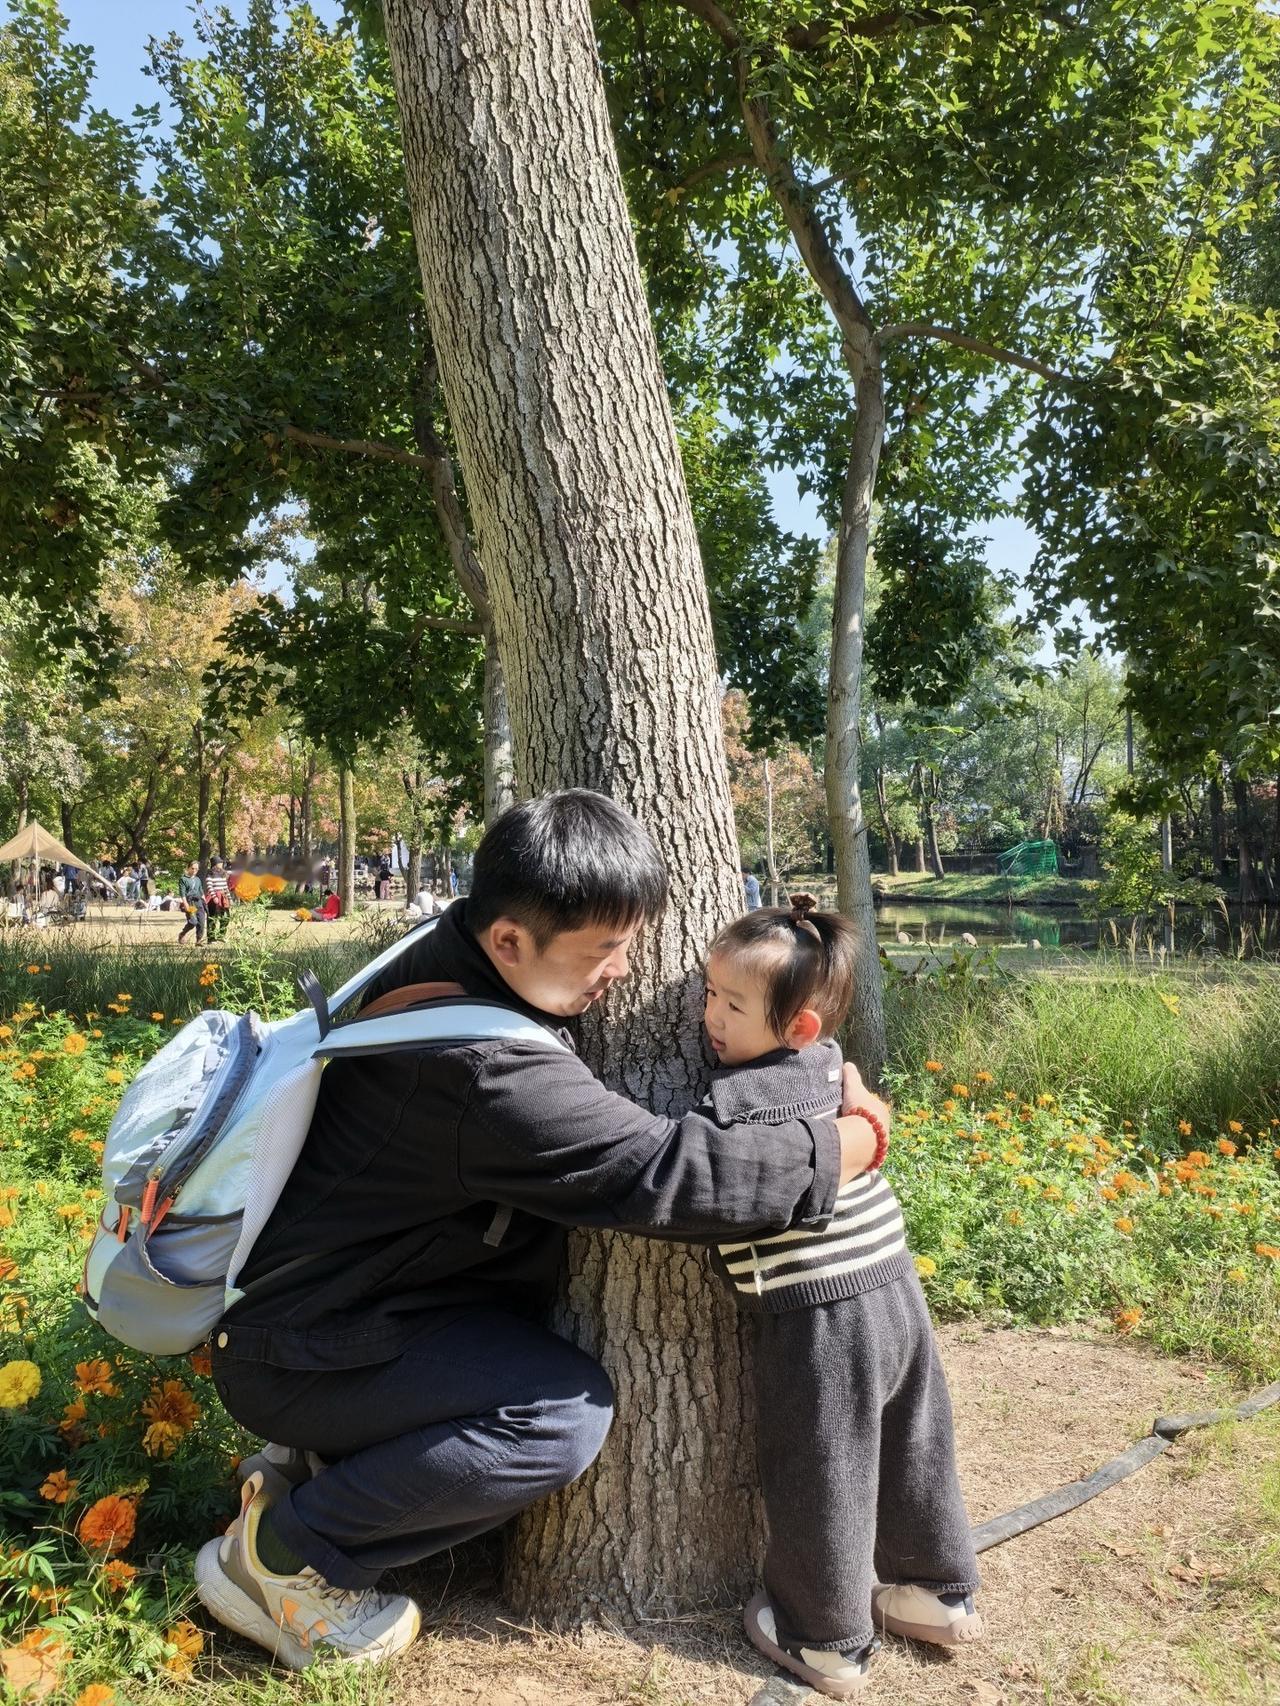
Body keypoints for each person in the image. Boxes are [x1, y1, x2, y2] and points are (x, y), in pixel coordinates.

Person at [195, 791, 888, 1671]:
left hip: (329, 1314)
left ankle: (320, 1470)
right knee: (556, 1415)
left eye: (629, 943)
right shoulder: (487, 1070)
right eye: (603, 952)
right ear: (511, 941)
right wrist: (849, 1141)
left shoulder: (442, 957)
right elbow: (670, 1175)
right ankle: (288, 1558)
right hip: (311, 1347)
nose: (625, 972)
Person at [702, 895, 981, 1697]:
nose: (709, 1016)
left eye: (732, 1004)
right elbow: (848, 1081)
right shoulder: (831, 1068)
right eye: (709, 993)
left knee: (821, 1465)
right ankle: (936, 1591)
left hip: (822, 1312)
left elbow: (705, 1180)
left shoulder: (736, 1099)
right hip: (895, 1286)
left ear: (797, 1031)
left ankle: (823, 1636)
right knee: (914, 1444)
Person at [177, 861, 207, 946]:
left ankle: (198, 940)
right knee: (193, 921)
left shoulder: (197, 879)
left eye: (196, 869)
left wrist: (204, 902)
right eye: (192, 868)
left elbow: (201, 891)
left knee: (201, 921)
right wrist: (185, 903)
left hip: (199, 902)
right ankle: (182, 933)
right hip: (190, 903)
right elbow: (182, 893)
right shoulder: (183, 879)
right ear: (188, 868)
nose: (194, 870)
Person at [204, 860, 231, 942]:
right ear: (215, 864)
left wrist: (230, 898)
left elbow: (225, 887)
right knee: (213, 918)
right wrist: (214, 897)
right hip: (214, 897)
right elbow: (209, 886)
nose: (221, 865)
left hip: (223, 896)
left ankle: (221, 936)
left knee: (226, 917)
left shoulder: (223, 874)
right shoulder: (210, 874)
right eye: (220, 863)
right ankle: (211, 938)